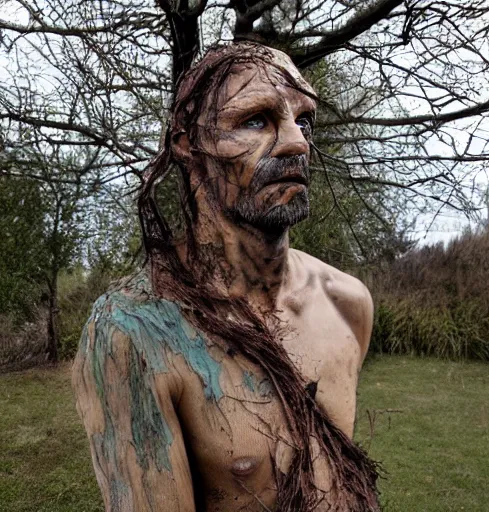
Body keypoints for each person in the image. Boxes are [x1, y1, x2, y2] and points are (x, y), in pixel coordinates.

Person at [72, 42, 379, 512]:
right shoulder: (134, 334)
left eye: (304, 120)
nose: (297, 141)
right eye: (255, 120)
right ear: (184, 142)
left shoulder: (348, 303)